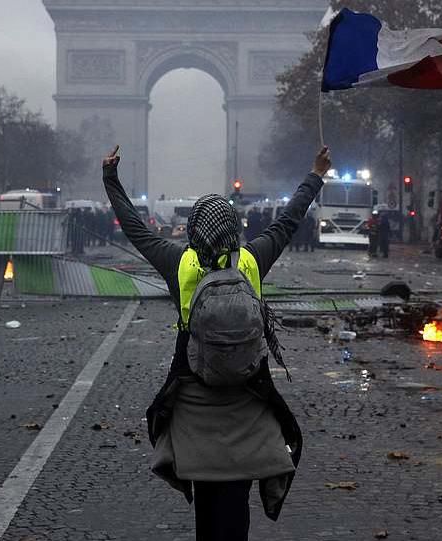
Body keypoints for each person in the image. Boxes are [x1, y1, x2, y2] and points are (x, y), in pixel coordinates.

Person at [104, 144, 332, 541]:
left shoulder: (179, 263)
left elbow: (135, 227)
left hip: (194, 404)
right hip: (248, 401)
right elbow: (288, 221)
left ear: (194, 230)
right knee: (235, 502)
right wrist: (315, 174)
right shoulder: (252, 260)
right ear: (235, 228)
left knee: (207, 502)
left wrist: (111, 178)